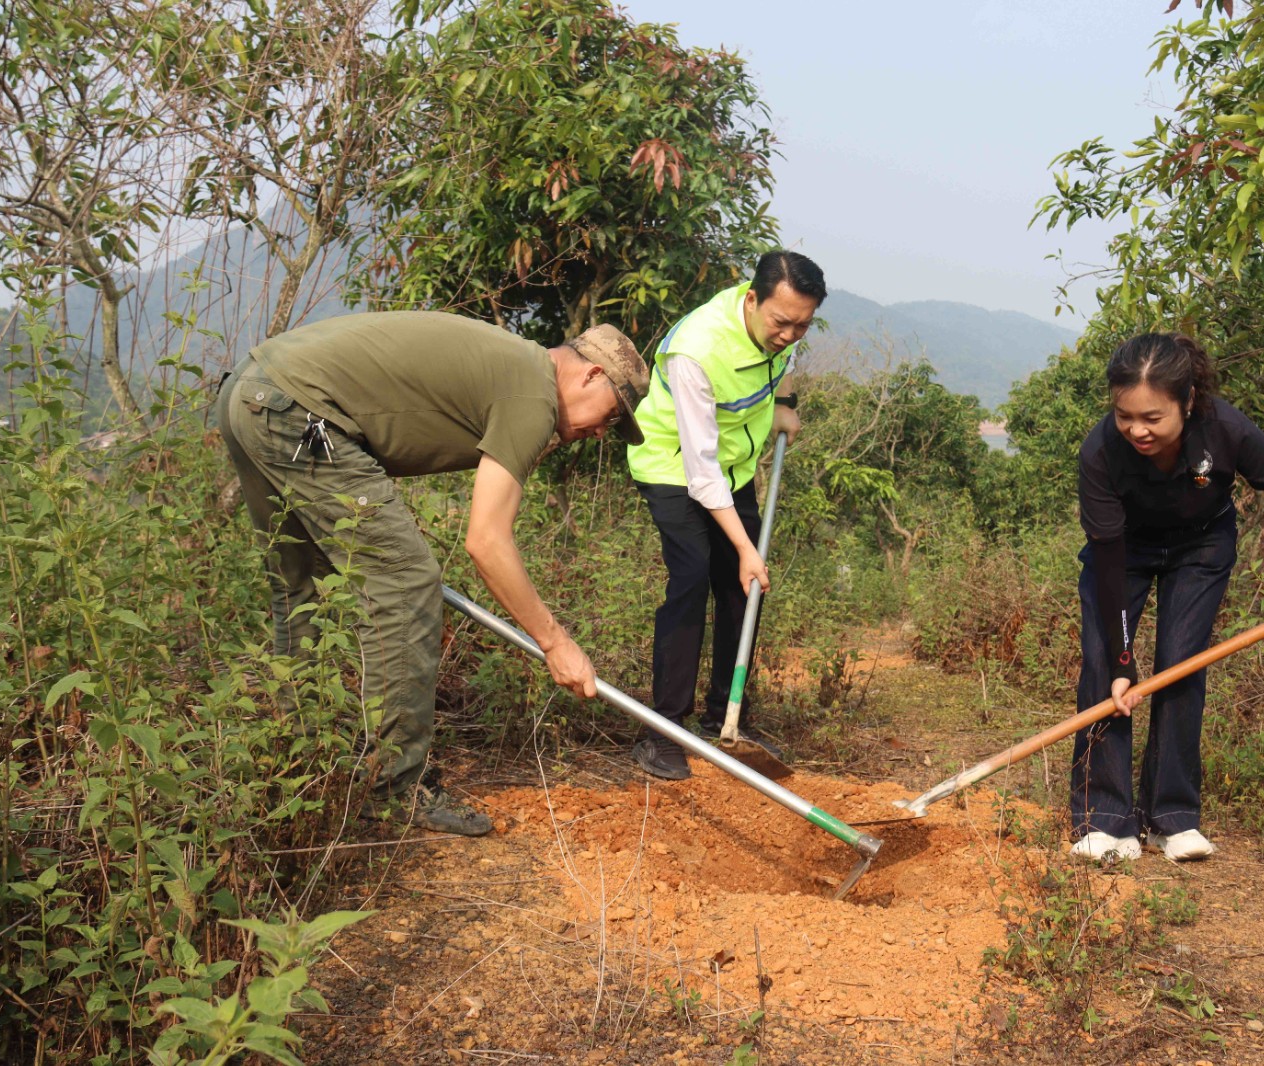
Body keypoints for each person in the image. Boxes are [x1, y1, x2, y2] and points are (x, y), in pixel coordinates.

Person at [216, 312, 648, 834]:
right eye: (610, 415)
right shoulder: (534, 392)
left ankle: (290, 764)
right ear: (591, 374)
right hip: (297, 412)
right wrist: (555, 642)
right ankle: (394, 789)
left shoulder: (515, 368)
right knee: (407, 583)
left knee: (303, 585)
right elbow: (486, 541)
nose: (600, 433)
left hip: (252, 393)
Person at [1070, 333, 1264, 863]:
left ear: (1188, 400)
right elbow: (1108, 559)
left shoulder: (1225, 430)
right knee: (1104, 666)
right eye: (1125, 416)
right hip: (1123, 552)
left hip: (1201, 545)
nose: (1136, 430)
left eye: (1152, 417)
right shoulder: (1101, 451)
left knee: (1181, 664)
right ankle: (1102, 819)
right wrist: (1124, 662)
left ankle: (1171, 819)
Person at [624, 251, 825, 780]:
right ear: (752, 300)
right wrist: (743, 547)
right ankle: (664, 732)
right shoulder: (697, 350)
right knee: (692, 578)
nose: (789, 335)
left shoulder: (780, 325)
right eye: (781, 323)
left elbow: (780, 365)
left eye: (802, 325)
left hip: (732, 469)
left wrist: (785, 405)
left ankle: (726, 716)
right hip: (673, 466)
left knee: (744, 587)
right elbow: (700, 470)